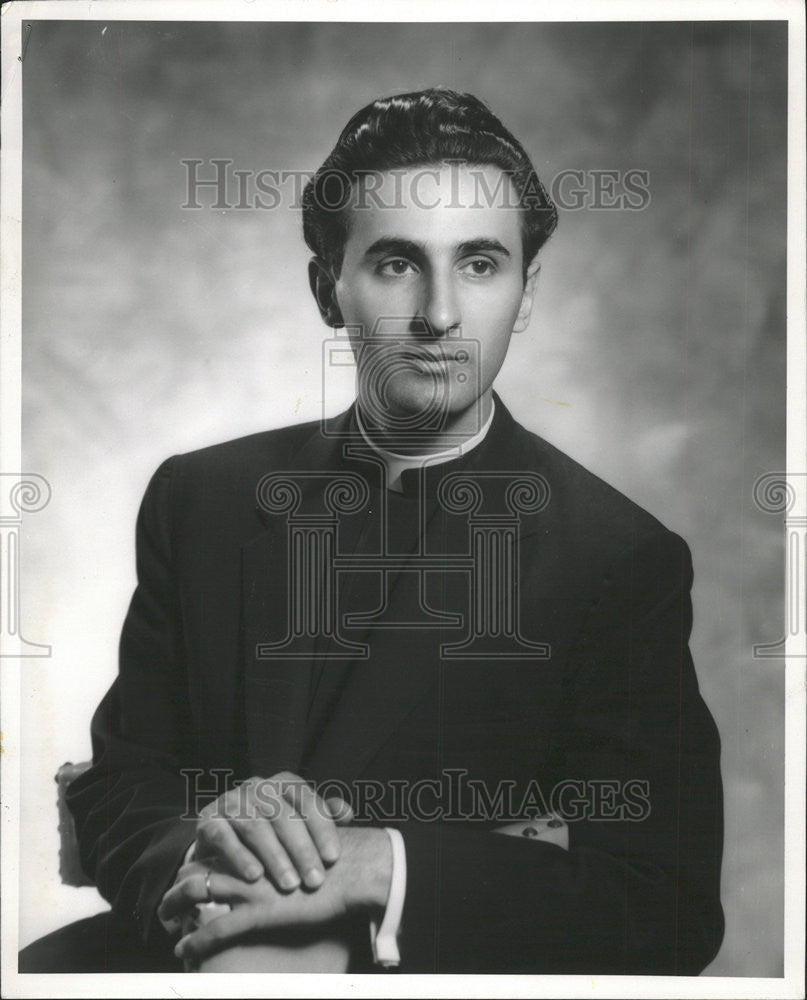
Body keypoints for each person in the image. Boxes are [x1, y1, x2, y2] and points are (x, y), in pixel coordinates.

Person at [20, 88, 724, 975]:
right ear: (327, 288)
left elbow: (663, 902)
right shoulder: (198, 499)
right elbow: (126, 780)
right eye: (396, 264)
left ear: (527, 290)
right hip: (184, 945)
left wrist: (378, 870)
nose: (437, 316)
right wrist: (206, 865)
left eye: (478, 264)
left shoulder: (619, 559)